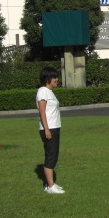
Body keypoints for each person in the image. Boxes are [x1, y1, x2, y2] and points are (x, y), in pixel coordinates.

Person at [37, 66, 65, 194]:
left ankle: (51, 184)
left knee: (54, 155)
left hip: (55, 127)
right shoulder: (42, 91)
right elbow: (42, 111)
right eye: (54, 77)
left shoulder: (49, 92)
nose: (56, 79)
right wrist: (47, 129)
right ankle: (50, 186)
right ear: (48, 78)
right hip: (49, 128)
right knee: (51, 156)